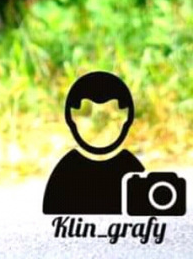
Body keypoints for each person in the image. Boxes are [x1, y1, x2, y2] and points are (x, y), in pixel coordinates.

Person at [43, 72, 144, 214]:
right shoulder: (67, 171)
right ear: (70, 121)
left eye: (111, 110)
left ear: (129, 120)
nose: (99, 116)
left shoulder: (130, 167)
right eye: (87, 111)